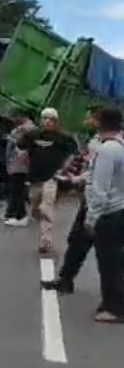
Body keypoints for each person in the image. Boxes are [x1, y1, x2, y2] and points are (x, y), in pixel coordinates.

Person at [42, 107, 102, 294]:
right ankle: (65, 279)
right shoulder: (95, 139)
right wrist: (70, 175)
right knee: (77, 241)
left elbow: (97, 174)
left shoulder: (109, 145)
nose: (86, 121)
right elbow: (85, 164)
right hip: (90, 198)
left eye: (89, 117)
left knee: (110, 250)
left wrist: (74, 179)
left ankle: (114, 297)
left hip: (105, 203)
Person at [82, 106, 124, 324]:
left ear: (100, 122)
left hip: (108, 213)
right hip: (121, 209)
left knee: (108, 264)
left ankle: (113, 308)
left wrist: (91, 218)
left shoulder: (107, 150)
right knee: (118, 262)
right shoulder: (121, 145)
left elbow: (100, 189)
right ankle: (117, 302)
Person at [17, 107, 77, 256]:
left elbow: (73, 153)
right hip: (34, 177)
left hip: (52, 177)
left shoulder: (63, 137)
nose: (48, 122)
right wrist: (22, 157)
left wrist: (64, 168)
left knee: (46, 209)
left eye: (51, 119)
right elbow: (20, 147)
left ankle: (45, 242)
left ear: (56, 121)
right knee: (36, 208)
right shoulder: (33, 135)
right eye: (45, 118)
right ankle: (39, 220)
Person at [3, 113, 34, 226]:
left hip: (20, 166)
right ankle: (12, 213)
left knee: (17, 191)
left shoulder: (24, 133)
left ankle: (20, 215)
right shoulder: (20, 132)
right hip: (18, 166)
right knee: (16, 191)